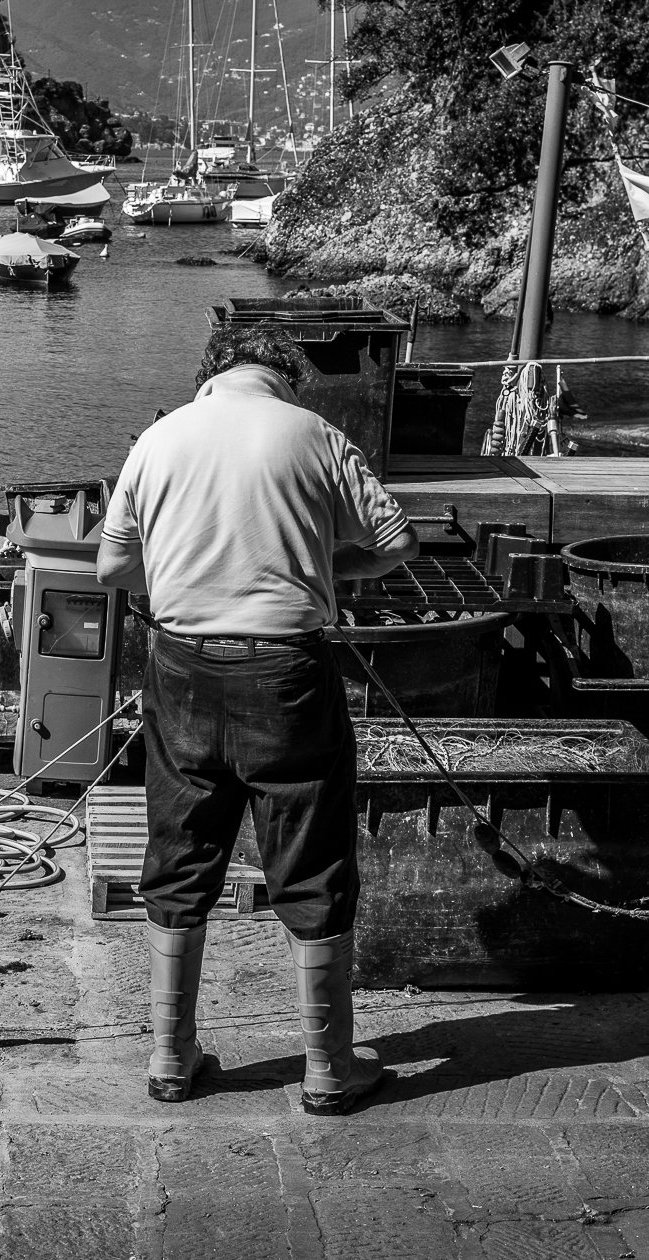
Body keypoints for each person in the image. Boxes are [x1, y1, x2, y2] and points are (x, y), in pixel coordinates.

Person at [96, 327, 418, 1114]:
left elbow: (113, 568)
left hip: (181, 668)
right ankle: (328, 1069)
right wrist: (318, 564)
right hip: (287, 676)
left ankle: (170, 1058)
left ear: (211, 372)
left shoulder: (158, 439)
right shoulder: (316, 435)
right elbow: (396, 543)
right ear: (286, 377)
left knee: (180, 853)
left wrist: (184, 571)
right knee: (309, 859)